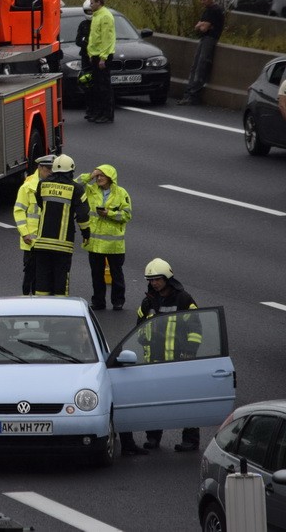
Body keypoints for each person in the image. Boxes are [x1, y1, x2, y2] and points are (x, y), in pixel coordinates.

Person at [119, 258, 204, 455]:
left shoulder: (184, 299)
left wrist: (189, 351)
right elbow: (139, 326)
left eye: (157, 279)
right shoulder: (148, 300)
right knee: (154, 401)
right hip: (154, 361)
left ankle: (190, 440)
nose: (154, 283)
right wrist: (142, 338)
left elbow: (195, 327)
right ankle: (153, 437)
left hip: (178, 360)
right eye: (151, 280)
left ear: (167, 278)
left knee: (184, 401)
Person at [32, 154, 90, 296]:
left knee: (42, 282)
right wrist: (86, 234)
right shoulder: (76, 189)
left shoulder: (42, 184)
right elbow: (82, 216)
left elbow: (41, 204)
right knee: (61, 283)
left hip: (41, 244)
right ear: (71, 171)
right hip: (62, 246)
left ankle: (42, 312)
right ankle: (59, 312)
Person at [76, 164, 131, 311]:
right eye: (97, 176)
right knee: (97, 275)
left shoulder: (121, 193)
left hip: (114, 245)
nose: (99, 178)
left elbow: (127, 215)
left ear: (110, 178)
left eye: (102, 175)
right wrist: (90, 175)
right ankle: (98, 301)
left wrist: (110, 214)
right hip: (94, 243)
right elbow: (75, 185)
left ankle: (118, 301)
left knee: (116, 275)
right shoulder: (91, 190)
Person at [13, 155, 54, 296]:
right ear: (40, 168)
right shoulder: (28, 187)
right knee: (30, 275)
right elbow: (19, 211)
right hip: (31, 241)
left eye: (52, 169)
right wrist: (24, 233)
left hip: (48, 240)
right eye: (48, 169)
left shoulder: (53, 185)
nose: (51, 172)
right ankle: (26, 300)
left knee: (45, 275)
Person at [179, 0, 224, 105]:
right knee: (195, 66)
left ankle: (193, 95)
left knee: (200, 67)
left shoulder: (214, 10)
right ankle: (189, 94)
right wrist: (202, 25)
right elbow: (197, 27)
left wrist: (202, 25)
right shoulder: (208, 10)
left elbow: (203, 28)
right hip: (205, 39)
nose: (201, 2)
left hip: (209, 39)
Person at [85, 0, 115, 123]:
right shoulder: (96, 16)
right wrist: (91, 54)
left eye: (92, 2)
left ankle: (107, 114)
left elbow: (107, 39)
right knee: (96, 86)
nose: (90, 5)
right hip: (96, 54)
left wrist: (103, 57)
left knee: (104, 87)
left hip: (103, 55)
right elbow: (94, 37)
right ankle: (98, 112)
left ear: (99, 3)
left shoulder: (105, 16)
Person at [75, 0, 96, 120]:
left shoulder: (98, 22)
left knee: (97, 85)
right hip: (85, 58)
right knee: (87, 84)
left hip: (96, 57)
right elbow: (78, 40)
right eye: (88, 11)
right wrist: (85, 43)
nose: (90, 12)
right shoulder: (83, 25)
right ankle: (89, 110)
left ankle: (97, 109)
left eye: (91, 10)